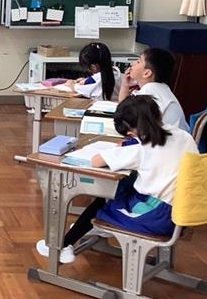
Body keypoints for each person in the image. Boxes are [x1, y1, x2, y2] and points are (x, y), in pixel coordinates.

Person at [36, 95, 197, 263]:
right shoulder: (184, 136)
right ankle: (81, 235)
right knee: (124, 188)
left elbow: (96, 161)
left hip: (157, 217)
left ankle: (63, 245)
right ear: (158, 114)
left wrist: (131, 144)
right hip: (184, 211)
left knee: (103, 201)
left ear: (131, 131)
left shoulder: (141, 150)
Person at [118, 47, 188, 131]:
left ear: (147, 73)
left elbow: (126, 115)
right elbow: (124, 108)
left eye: (138, 61)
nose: (132, 64)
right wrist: (125, 84)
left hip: (168, 138)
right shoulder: (157, 88)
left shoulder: (150, 91)